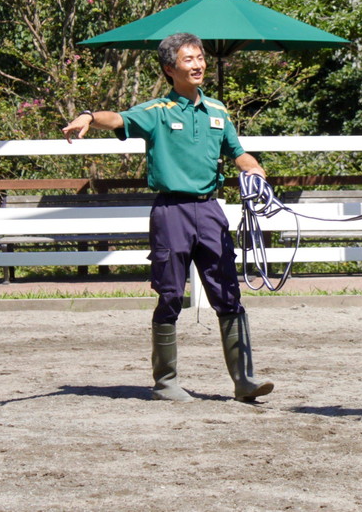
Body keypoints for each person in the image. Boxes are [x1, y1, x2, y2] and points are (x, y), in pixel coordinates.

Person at [62, 32, 273, 403]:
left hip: (210, 211)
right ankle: (166, 382)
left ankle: (244, 380)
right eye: (189, 59)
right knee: (171, 294)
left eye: (200, 57)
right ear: (169, 68)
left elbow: (238, 153)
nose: (198, 64)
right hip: (170, 211)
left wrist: (253, 169)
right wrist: (89, 116)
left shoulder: (219, 112)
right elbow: (117, 119)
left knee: (227, 292)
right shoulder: (157, 112)